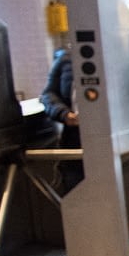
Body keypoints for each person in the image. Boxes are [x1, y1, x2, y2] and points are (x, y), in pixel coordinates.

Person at [40, 46, 83, 193]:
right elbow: (48, 95)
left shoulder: (116, 53)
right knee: (77, 196)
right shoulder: (66, 59)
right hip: (75, 143)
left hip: (111, 142)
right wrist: (64, 114)